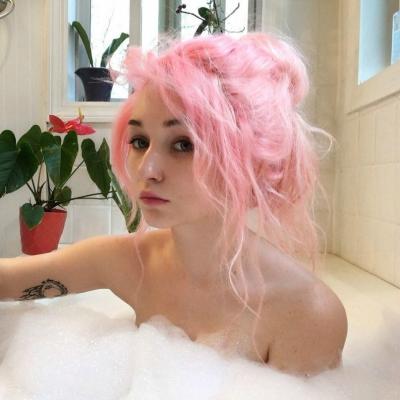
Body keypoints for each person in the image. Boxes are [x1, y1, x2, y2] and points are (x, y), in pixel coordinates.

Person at [0, 32, 347, 377]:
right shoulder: (129, 263)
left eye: (183, 144)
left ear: (250, 160)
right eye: (140, 141)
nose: (146, 170)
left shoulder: (306, 313)